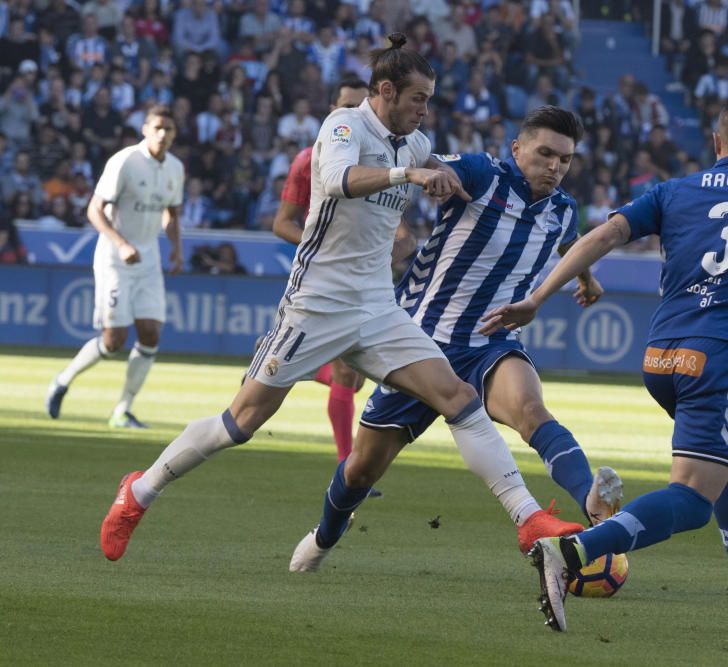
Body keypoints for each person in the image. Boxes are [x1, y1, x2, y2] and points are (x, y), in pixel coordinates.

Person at [98, 34, 583, 564]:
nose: (426, 109)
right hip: (316, 304)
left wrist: (424, 207)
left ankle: (527, 517)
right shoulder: (345, 124)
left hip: (377, 308)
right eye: (418, 98)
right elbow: (337, 181)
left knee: (459, 399)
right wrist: (410, 174)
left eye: (430, 99)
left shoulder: (417, 144)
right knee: (240, 424)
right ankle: (139, 492)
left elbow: (436, 180)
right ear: (386, 90)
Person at [482, 95, 728, 633]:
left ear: (716, 143)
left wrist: (539, 297)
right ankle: (570, 553)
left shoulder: (674, 190)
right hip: (717, 358)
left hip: (661, 358)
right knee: (691, 500)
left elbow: (604, 235)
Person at [288, 105, 623, 572]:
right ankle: (324, 537)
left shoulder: (561, 211)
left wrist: (585, 278)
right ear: (517, 149)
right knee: (362, 468)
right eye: (545, 154)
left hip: (490, 343)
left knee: (531, 410)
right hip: (418, 345)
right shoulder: (484, 175)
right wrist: (434, 175)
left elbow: (571, 242)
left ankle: (593, 507)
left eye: (564, 160)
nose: (554, 167)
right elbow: (439, 166)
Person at [271, 77, 403, 482]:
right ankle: (346, 466)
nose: (351, 113)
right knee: (348, 376)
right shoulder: (308, 160)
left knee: (354, 380)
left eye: (357, 105)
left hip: (365, 281)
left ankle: (305, 365)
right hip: (321, 279)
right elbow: (282, 224)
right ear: (331, 112)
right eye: (343, 106)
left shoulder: (380, 157)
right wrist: (322, 242)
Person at [45, 104, 184, 428]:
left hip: (148, 255)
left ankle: (123, 409)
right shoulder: (125, 162)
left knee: (151, 333)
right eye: (158, 127)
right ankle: (63, 380)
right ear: (145, 130)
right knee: (114, 340)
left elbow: (172, 213)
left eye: (169, 129)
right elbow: (94, 210)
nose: (163, 134)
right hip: (114, 255)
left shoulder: (175, 168)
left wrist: (176, 249)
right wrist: (121, 244)